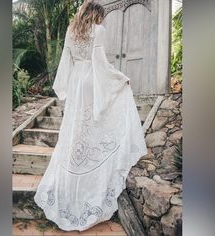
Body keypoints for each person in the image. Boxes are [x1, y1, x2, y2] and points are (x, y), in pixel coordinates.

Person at [34, 0, 148, 231]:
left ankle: (74, 174)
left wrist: (65, 86)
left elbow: (66, 61)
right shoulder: (98, 30)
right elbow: (100, 63)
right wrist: (118, 79)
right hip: (91, 80)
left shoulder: (70, 30)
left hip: (76, 79)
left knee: (77, 126)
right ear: (97, 15)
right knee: (93, 121)